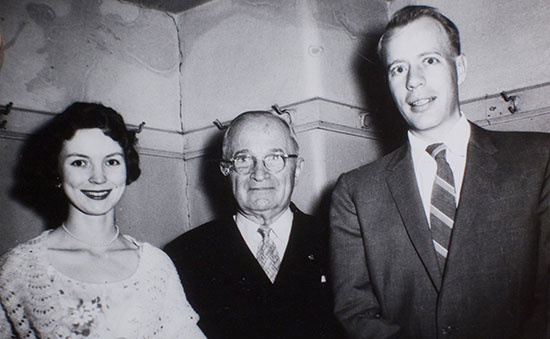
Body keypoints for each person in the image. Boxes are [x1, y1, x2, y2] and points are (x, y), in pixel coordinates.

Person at [330, 5, 549, 339]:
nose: (413, 81)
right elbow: (356, 310)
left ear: (459, 68)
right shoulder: (356, 192)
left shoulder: (539, 161)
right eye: (398, 68)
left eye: (429, 60)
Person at [0, 102, 205, 338]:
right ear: (57, 170)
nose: (98, 177)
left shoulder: (155, 267)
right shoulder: (18, 269)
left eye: (111, 161)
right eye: (79, 162)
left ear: (126, 168)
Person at [165, 111, 344, 339]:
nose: (259, 174)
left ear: (297, 169)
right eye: (243, 159)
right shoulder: (184, 254)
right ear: (226, 170)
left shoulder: (338, 242)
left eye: (274, 158)